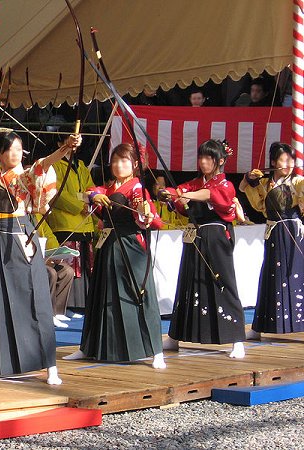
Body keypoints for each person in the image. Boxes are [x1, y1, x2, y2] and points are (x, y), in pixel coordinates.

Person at [0, 127, 81, 385]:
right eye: (10, 149)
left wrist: (66, 147)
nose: (16, 154)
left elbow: (44, 164)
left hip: (19, 238)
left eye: (19, 149)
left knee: (31, 298)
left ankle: (48, 365)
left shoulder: (24, 176)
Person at [63, 143, 166, 369]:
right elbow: (88, 193)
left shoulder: (137, 187)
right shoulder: (109, 187)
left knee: (139, 294)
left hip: (130, 246)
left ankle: (156, 350)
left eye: (125, 161)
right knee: (102, 294)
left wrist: (144, 216)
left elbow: (143, 213)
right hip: (109, 245)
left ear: (135, 165)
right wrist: (92, 197)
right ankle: (89, 347)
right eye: (116, 160)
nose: (119, 165)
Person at [159, 140, 246, 358]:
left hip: (216, 237)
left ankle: (236, 339)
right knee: (188, 281)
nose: (204, 162)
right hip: (195, 237)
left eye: (209, 158)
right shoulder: (196, 183)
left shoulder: (224, 185)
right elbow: (180, 192)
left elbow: (209, 195)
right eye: (202, 158)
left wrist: (183, 194)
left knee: (223, 282)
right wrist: (167, 193)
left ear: (220, 161)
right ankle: (176, 336)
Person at [239, 142, 304, 338]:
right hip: (274, 232)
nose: (288, 164)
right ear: (274, 162)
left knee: (295, 275)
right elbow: (250, 196)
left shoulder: (297, 182)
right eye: (283, 160)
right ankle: (259, 327)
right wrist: (250, 179)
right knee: (270, 275)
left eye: (291, 161)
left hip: (292, 231)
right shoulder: (266, 183)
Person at [47, 130, 96, 311]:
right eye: (69, 139)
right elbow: (56, 193)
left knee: (84, 265)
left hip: (85, 221)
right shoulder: (55, 164)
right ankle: (69, 305)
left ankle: (83, 304)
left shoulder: (81, 165)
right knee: (70, 264)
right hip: (65, 222)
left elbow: (90, 186)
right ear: (61, 143)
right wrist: (78, 205)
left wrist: (92, 196)